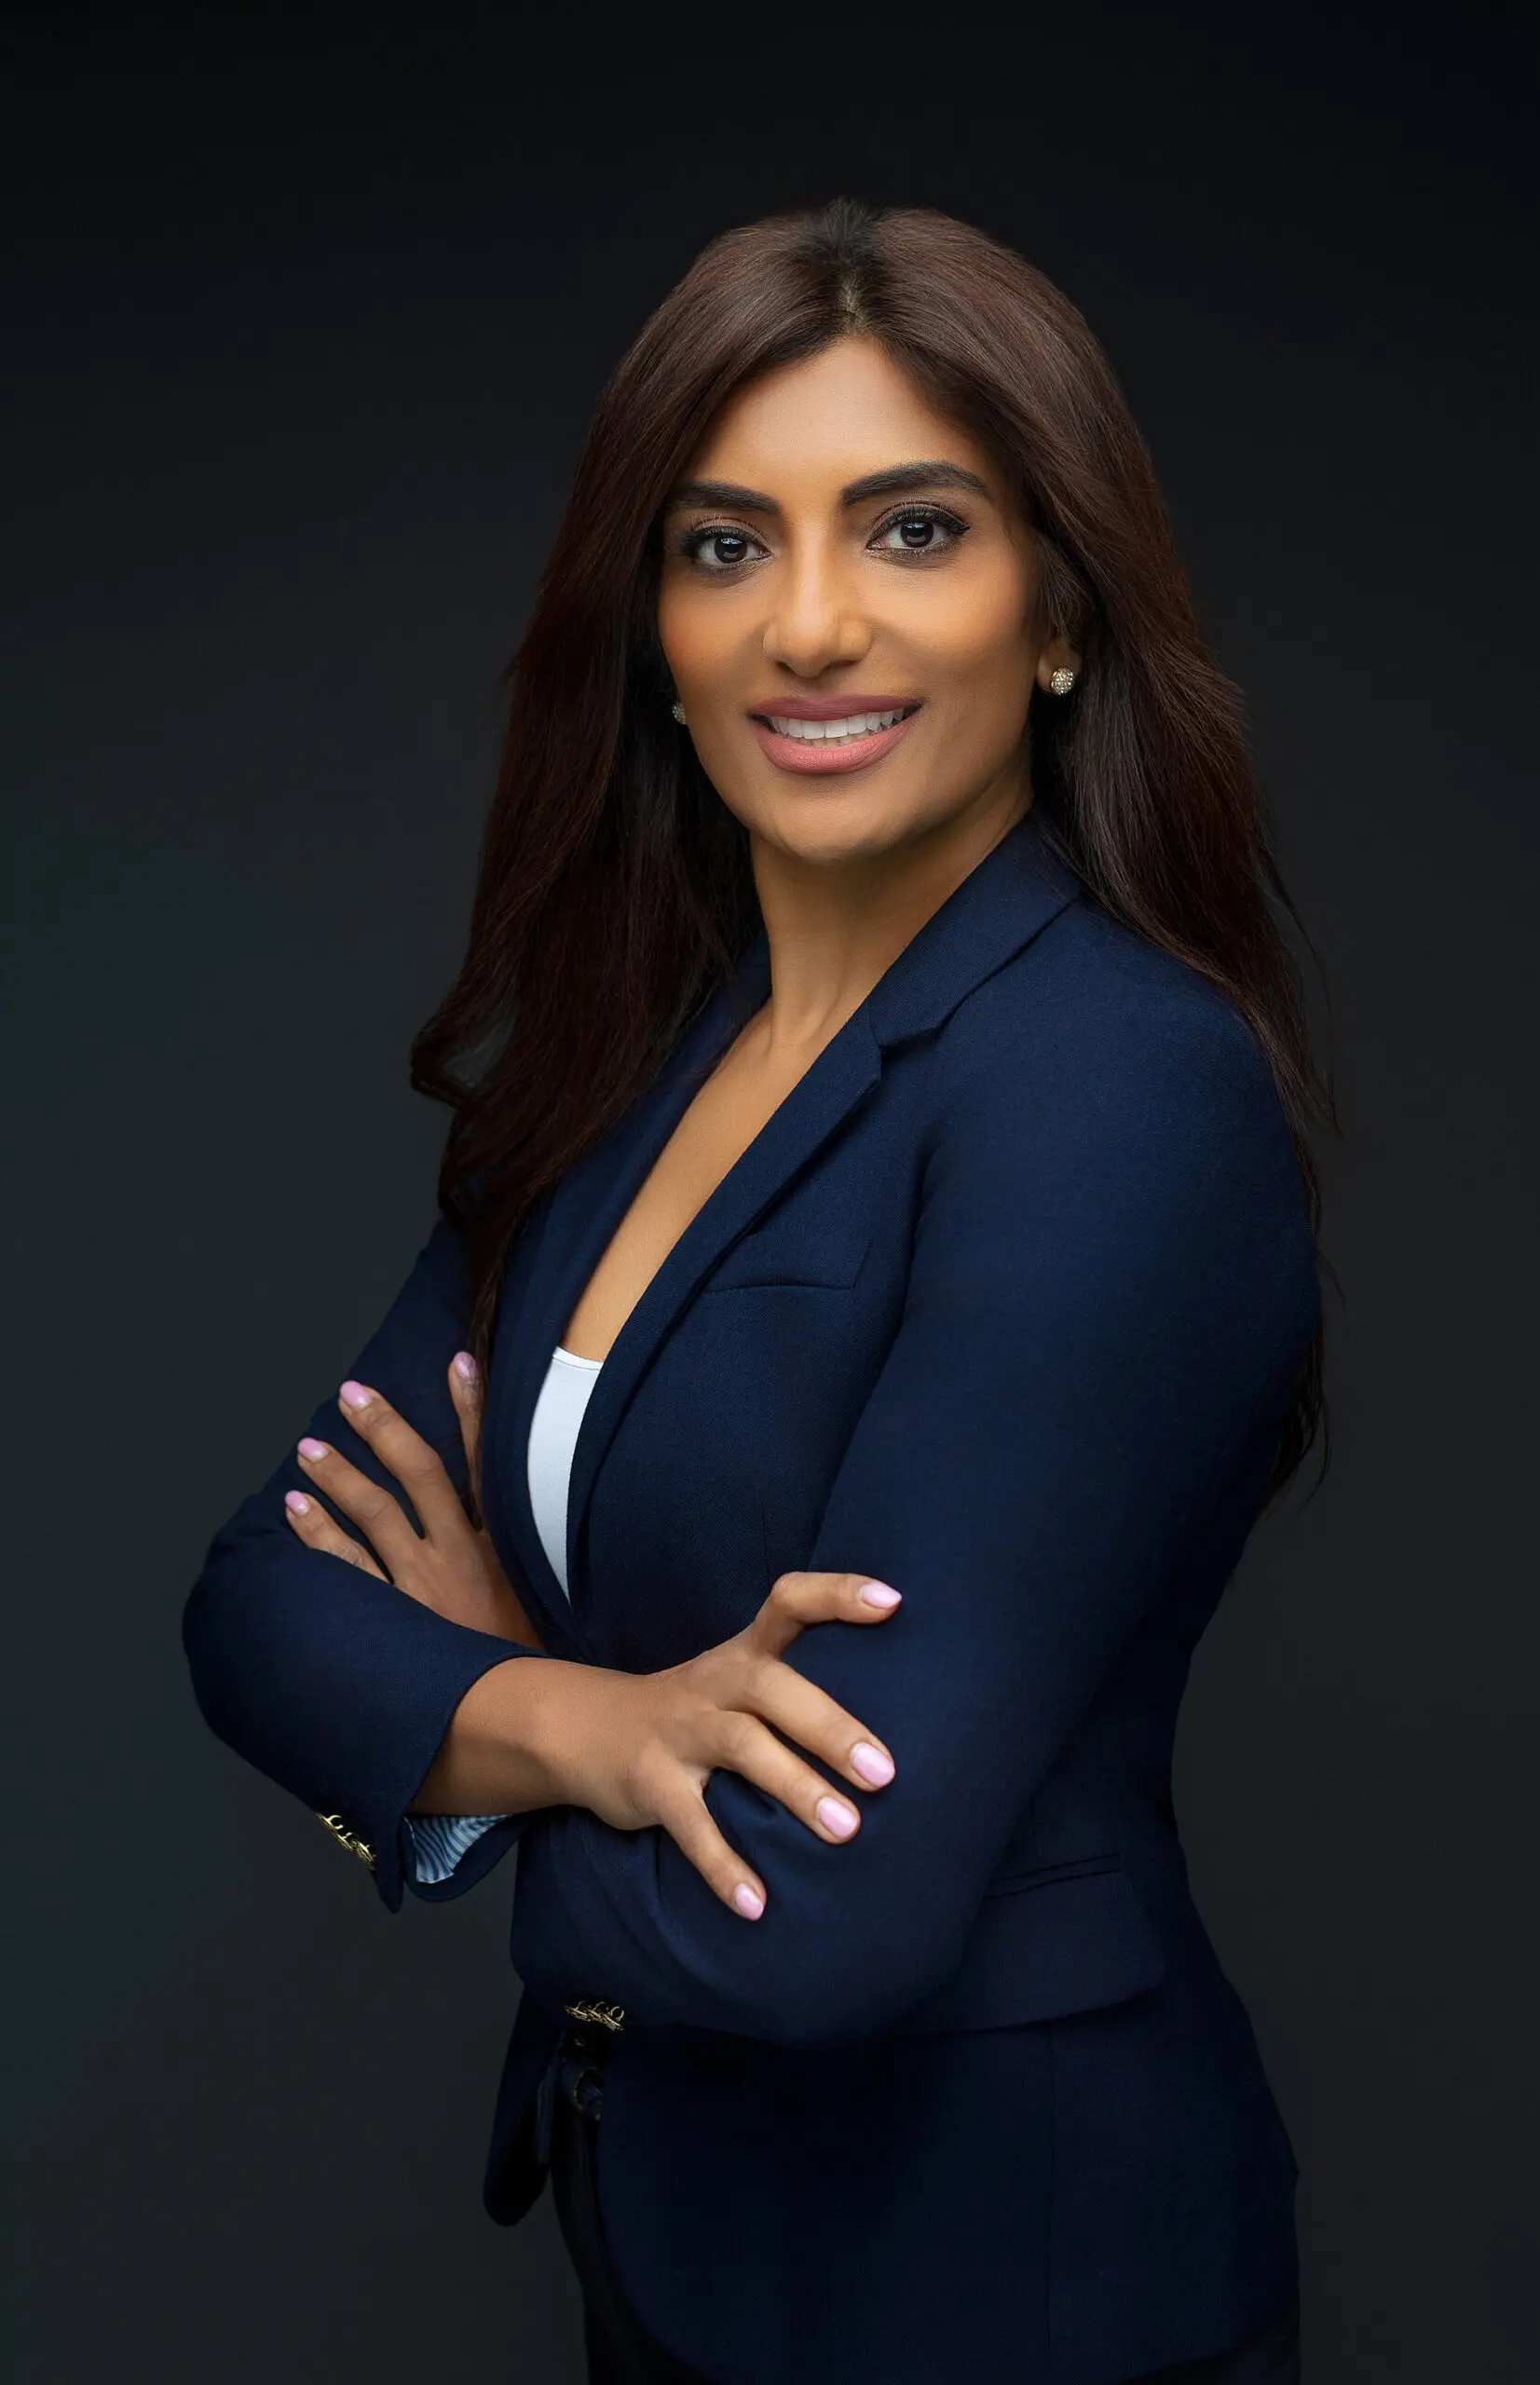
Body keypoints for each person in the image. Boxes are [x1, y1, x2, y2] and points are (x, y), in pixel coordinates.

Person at [184, 198, 1323, 2385]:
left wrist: (461, 1713)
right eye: (722, 547)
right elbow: (257, 1590)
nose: (807, 625)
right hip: (670, 2236)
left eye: (910, 532)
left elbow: (823, 1917)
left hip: (1004, 2292)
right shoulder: (635, 1060)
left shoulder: (1116, 1089)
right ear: (653, 626)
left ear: (1058, 610)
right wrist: (590, 1722)